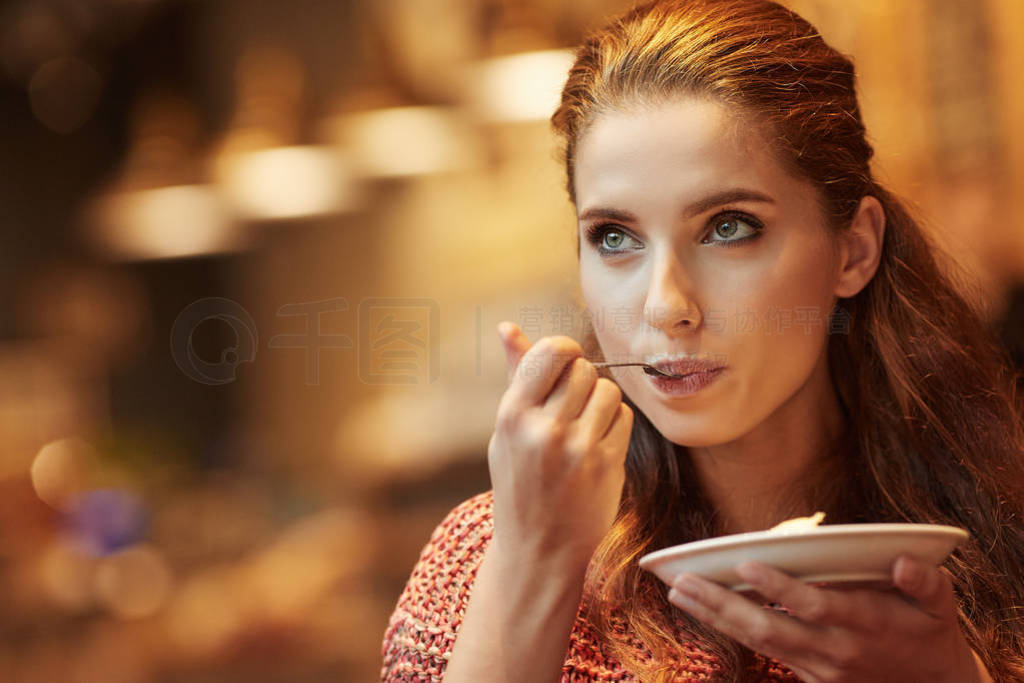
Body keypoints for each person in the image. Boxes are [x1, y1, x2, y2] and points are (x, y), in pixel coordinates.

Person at [380, 0, 1024, 680]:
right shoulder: (482, 558)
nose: (666, 306)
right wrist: (530, 569)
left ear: (854, 250)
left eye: (728, 228)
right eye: (615, 238)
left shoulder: (999, 542)